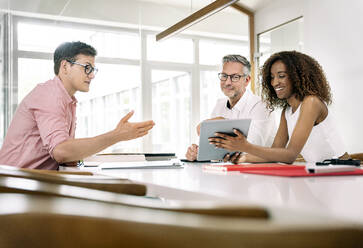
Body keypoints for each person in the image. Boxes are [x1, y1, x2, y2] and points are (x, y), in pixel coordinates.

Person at [0, 41, 155, 170]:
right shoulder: (50, 95)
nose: (92, 75)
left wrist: (73, 155)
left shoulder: (67, 100)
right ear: (65, 67)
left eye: (93, 69)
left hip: (29, 182)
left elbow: (65, 153)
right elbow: (61, 151)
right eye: (87, 67)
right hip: (15, 185)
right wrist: (117, 135)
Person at [209, 51, 348, 164]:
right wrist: (244, 158)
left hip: (343, 169)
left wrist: (245, 146)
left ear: (297, 77)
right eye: (272, 77)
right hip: (322, 171)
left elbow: (290, 155)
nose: (275, 82)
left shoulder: (311, 102)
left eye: (281, 76)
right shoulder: (286, 112)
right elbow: (276, 152)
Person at [185, 54, 276, 161]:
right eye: (224, 76)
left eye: (235, 77)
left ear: (246, 80)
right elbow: (212, 148)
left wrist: (223, 122)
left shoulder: (262, 106)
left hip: (258, 172)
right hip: (227, 172)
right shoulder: (219, 105)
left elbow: (251, 148)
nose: (228, 82)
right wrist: (197, 153)